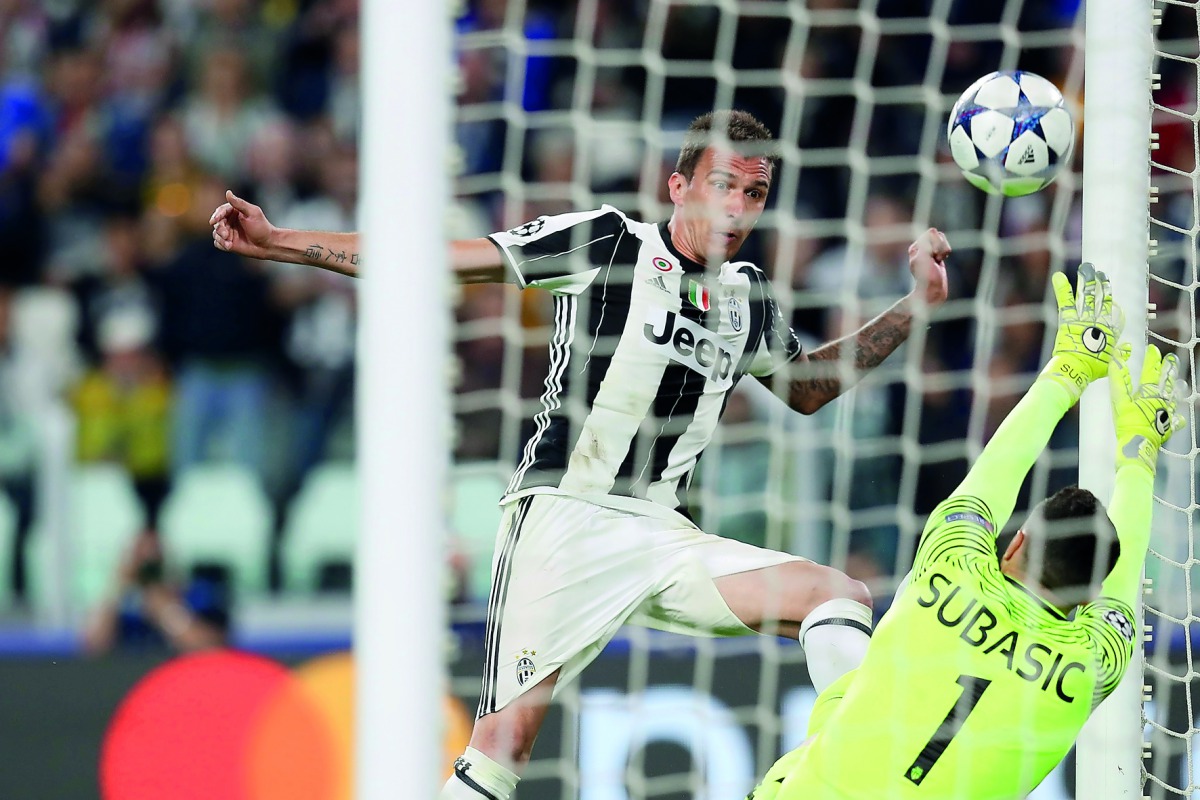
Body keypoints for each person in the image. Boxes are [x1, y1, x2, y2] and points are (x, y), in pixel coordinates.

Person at [209, 109, 951, 799]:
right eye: (724, 185)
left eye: (755, 194)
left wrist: (914, 303)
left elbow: (810, 387)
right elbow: (440, 260)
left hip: (666, 537)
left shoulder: (746, 297)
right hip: (565, 518)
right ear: (679, 185)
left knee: (838, 595)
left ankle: (864, 773)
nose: (738, 207)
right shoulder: (608, 242)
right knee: (503, 745)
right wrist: (280, 243)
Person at [747, 264, 1186, 799]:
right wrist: (1140, 454)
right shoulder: (1094, 661)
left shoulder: (952, 565)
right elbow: (1123, 589)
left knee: (842, 617)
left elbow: (993, 476)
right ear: (1090, 594)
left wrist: (1068, 372)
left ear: (1017, 541)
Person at [82, 529, 230, 655]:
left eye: (155, 561)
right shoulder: (122, 605)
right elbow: (93, 646)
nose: (148, 571)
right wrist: (117, 589)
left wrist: (166, 609)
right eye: (140, 559)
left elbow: (210, 649)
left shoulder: (197, 598)